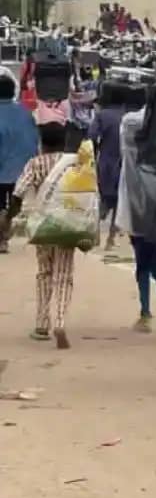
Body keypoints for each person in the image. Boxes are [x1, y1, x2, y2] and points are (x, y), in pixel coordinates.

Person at [0, 123, 76, 349]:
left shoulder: (35, 163)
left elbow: (18, 193)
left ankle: (42, 323)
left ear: (41, 143)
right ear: (65, 141)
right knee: (64, 275)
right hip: (68, 225)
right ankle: (60, 320)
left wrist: (8, 218)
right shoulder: (74, 164)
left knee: (44, 273)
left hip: (42, 226)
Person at [116, 105, 156, 334]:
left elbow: (128, 122)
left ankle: (145, 312)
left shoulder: (129, 147)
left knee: (142, 264)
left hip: (136, 212)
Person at [0, 74, 38, 254]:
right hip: (20, 169)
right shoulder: (25, 114)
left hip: (3, 169)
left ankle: (2, 234)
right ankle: (5, 230)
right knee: (15, 205)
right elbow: (33, 141)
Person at [88, 85, 126, 253]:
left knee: (104, 200)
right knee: (120, 202)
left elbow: (91, 137)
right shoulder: (128, 116)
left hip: (106, 162)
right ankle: (111, 239)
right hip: (125, 164)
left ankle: (93, 234)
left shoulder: (102, 116)